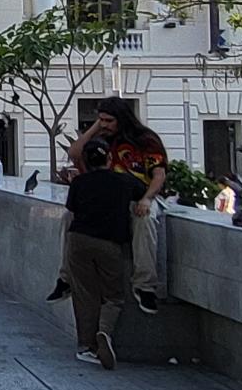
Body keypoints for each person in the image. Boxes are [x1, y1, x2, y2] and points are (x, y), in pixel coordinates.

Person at [63, 97, 168, 314]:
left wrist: (147, 198)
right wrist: (96, 125)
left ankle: (145, 286)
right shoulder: (102, 141)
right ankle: (65, 278)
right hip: (108, 199)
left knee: (145, 219)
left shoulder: (147, 140)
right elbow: (74, 153)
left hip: (139, 197)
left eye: (109, 120)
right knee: (70, 218)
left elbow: (158, 174)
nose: (105, 125)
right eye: (101, 120)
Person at [64, 139, 144, 369]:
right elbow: (143, 195)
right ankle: (104, 331)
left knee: (84, 295)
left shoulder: (79, 182)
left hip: (79, 241)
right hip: (110, 243)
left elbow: (71, 211)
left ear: (86, 162)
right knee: (113, 295)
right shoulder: (124, 181)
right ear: (110, 159)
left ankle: (86, 346)